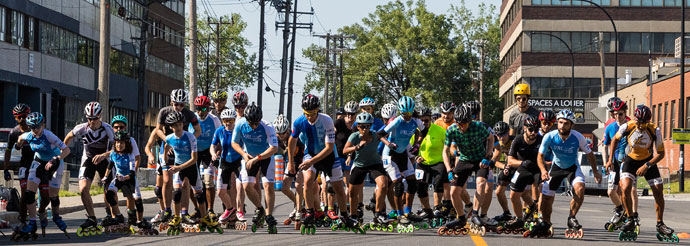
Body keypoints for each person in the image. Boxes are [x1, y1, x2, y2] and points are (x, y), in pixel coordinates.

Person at [609, 105, 676, 240]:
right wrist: (610, 159)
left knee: (658, 190)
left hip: (648, 161)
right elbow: (614, 140)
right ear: (635, 119)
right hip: (630, 160)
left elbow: (661, 153)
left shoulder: (655, 130)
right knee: (626, 187)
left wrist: (647, 165)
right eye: (639, 122)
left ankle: (660, 224)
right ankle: (630, 219)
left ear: (649, 121)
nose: (641, 125)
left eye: (644, 123)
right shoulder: (627, 126)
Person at [287, 94, 349, 234]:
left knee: (337, 187)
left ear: (318, 110)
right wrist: (291, 162)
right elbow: (292, 141)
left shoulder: (326, 120)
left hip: (328, 155)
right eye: (307, 114)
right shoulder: (299, 122)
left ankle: (345, 215)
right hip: (311, 153)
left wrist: (311, 162)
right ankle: (309, 213)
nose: (310, 117)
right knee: (308, 181)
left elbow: (328, 147)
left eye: (313, 113)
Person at [536, 109, 602, 238]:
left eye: (566, 123)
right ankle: (546, 222)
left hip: (572, 167)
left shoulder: (578, 137)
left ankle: (571, 217)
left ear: (572, 125)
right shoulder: (550, 136)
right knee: (546, 196)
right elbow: (540, 156)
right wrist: (543, 170)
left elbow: (590, 155)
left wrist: (595, 172)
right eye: (560, 122)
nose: (562, 126)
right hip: (557, 167)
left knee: (580, 189)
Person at [146, 89, 201, 226]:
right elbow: (157, 129)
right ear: (172, 102)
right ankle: (167, 210)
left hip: (183, 151)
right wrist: (169, 142)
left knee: (185, 183)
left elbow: (198, 130)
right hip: (167, 149)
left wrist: (189, 142)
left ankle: (184, 212)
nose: (179, 108)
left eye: (182, 105)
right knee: (166, 180)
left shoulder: (189, 114)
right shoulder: (164, 112)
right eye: (176, 104)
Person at [12, 113, 70, 240]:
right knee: (28, 193)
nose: (35, 130)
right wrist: (18, 145)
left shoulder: (49, 135)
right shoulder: (28, 135)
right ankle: (32, 222)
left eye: (37, 127)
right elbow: (20, 138)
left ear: (43, 125)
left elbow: (67, 150)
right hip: (38, 161)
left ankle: (56, 216)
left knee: (53, 195)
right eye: (32, 127)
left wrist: (57, 158)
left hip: (55, 162)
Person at [163, 111, 217, 234]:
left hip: (190, 167)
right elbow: (166, 146)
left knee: (198, 194)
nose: (178, 128)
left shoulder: (190, 137)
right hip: (178, 167)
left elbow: (194, 159)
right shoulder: (169, 138)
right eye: (175, 125)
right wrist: (165, 156)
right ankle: (177, 217)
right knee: (177, 193)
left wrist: (179, 167)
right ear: (171, 127)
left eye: (180, 125)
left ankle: (204, 217)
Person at [63, 102, 115, 230]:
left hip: (104, 161)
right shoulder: (81, 128)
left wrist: (104, 155)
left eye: (95, 119)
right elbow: (69, 136)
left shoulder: (107, 129)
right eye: (89, 119)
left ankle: (110, 214)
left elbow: (117, 148)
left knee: (108, 190)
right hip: (88, 160)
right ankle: (92, 218)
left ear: (100, 116)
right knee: (83, 189)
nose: (92, 122)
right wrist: (62, 150)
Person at [376, 96, 425, 225]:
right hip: (389, 155)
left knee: (412, 182)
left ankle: (408, 211)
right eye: (404, 113)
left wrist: (417, 144)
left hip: (402, 153)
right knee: (398, 184)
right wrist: (389, 143)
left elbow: (423, 132)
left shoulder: (416, 121)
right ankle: (399, 214)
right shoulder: (397, 121)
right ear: (400, 111)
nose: (407, 116)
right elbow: (379, 134)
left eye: (409, 113)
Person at [231, 103, 279, 233]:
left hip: (265, 157)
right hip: (249, 156)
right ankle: (260, 209)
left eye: (256, 123)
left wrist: (257, 158)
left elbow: (274, 148)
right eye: (251, 123)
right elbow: (234, 142)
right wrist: (244, 155)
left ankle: (269, 215)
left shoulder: (267, 126)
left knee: (268, 186)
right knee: (246, 186)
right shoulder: (240, 124)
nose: (254, 126)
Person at [442, 105, 492, 231]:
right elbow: (445, 151)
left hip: (480, 159)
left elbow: (491, 138)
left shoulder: (479, 127)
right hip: (464, 159)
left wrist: (488, 155)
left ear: (470, 121)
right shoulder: (452, 130)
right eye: (459, 124)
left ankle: (475, 214)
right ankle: (461, 218)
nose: (462, 127)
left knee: (481, 184)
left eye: (464, 124)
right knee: (454, 191)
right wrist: (449, 170)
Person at [343, 112, 389, 229]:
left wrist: (391, 144)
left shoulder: (374, 135)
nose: (365, 129)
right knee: (353, 192)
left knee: (383, 185)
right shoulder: (354, 136)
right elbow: (345, 150)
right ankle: (353, 216)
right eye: (362, 126)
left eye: (367, 126)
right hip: (360, 165)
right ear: (358, 127)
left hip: (375, 164)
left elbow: (383, 138)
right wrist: (356, 147)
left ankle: (379, 213)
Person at [110, 115, 150, 231]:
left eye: (121, 127)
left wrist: (133, 173)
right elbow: (111, 154)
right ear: (113, 128)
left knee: (130, 196)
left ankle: (132, 217)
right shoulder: (112, 139)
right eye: (116, 127)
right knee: (111, 194)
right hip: (116, 171)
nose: (119, 129)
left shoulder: (130, 140)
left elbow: (137, 157)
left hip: (128, 173)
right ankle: (115, 217)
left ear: (125, 127)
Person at [502, 116, 542, 231]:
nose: (533, 133)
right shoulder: (518, 140)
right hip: (523, 167)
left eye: (536, 130)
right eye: (531, 129)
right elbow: (510, 160)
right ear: (525, 128)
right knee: (514, 195)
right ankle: (519, 219)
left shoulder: (541, 140)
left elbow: (548, 158)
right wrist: (522, 163)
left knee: (542, 188)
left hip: (537, 168)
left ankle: (541, 217)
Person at [410, 107, 448, 225]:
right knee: (420, 188)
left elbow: (448, 147)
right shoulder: (414, 131)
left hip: (438, 162)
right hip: (423, 163)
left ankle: (437, 208)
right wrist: (416, 157)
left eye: (426, 120)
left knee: (438, 184)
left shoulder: (440, 130)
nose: (424, 123)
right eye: (421, 121)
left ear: (431, 119)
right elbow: (410, 148)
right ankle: (427, 210)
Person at [189, 96, 222, 221]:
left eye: (203, 108)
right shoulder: (192, 119)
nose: (201, 111)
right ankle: (198, 209)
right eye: (198, 108)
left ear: (208, 109)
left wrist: (218, 152)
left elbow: (220, 138)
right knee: (193, 182)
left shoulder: (214, 120)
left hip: (209, 152)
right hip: (195, 152)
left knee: (208, 181)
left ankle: (210, 209)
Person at [101, 131, 141, 232]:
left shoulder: (130, 155)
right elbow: (110, 166)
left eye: (122, 143)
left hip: (129, 179)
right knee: (109, 194)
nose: (119, 145)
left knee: (137, 200)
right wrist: (105, 177)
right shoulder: (113, 153)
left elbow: (132, 173)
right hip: (118, 178)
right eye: (117, 143)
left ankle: (140, 221)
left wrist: (126, 177)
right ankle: (118, 215)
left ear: (126, 144)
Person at [602, 98, 630, 231]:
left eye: (621, 114)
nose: (618, 117)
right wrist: (606, 161)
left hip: (627, 163)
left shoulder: (631, 126)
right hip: (614, 163)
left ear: (625, 114)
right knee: (611, 191)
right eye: (615, 114)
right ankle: (621, 210)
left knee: (625, 190)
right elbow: (605, 145)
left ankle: (630, 216)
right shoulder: (610, 127)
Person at [3, 104, 34, 226]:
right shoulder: (14, 132)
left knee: (45, 195)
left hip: (38, 163)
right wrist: (6, 169)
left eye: (24, 116)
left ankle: (40, 210)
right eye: (18, 117)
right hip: (25, 165)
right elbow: (8, 151)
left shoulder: (35, 128)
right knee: (25, 192)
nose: (21, 119)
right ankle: (23, 220)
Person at [273, 114, 307, 226]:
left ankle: (298, 211)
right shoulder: (276, 138)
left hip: (301, 160)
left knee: (298, 185)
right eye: (278, 133)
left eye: (283, 133)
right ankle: (300, 205)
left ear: (287, 130)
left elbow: (291, 153)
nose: (280, 136)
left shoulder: (293, 138)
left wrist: (290, 163)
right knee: (284, 187)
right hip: (290, 162)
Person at [211, 109, 242, 226]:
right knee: (220, 192)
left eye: (230, 120)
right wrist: (213, 153)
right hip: (224, 161)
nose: (228, 123)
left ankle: (238, 212)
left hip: (237, 161)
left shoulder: (238, 130)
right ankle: (230, 209)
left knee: (236, 187)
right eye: (225, 121)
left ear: (234, 120)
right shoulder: (219, 131)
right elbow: (212, 145)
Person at [490, 121, 515, 224]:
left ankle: (527, 212)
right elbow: (493, 161)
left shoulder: (514, 141)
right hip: (506, 167)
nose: (501, 138)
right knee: (499, 192)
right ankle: (506, 213)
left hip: (517, 166)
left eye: (503, 135)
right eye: (498, 135)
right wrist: (504, 166)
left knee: (520, 192)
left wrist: (509, 166)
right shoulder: (493, 142)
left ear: (508, 133)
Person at [335, 101, 358, 211]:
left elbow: (355, 143)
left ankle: (346, 205)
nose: (350, 116)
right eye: (348, 114)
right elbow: (331, 136)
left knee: (348, 182)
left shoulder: (357, 126)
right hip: (338, 155)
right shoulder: (339, 123)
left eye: (352, 114)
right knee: (336, 183)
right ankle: (335, 205)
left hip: (350, 156)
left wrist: (349, 156)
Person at [232, 91, 250, 222]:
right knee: (231, 185)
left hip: (245, 154)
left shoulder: (250, 118)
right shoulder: (231, 118)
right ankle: (234, 210)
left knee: (242, 185)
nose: (240, 109)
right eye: (237, 107)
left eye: (242, 106)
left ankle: (240, 210)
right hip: (232, 154)